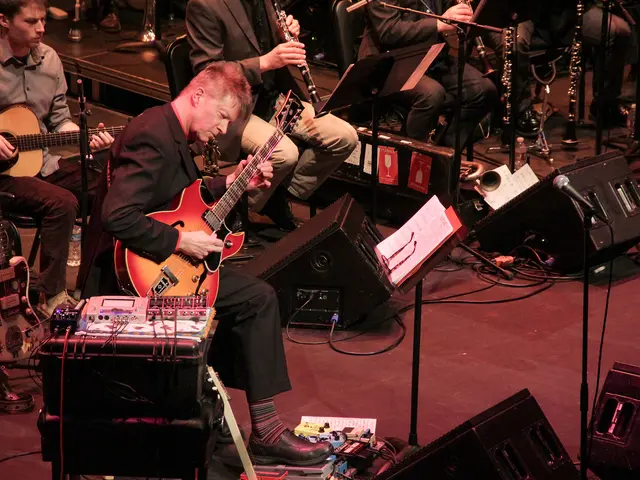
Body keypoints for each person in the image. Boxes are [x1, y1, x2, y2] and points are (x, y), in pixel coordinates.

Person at [77, 61, 334, 466]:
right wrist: (182, 239)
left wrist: (229, 184)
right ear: (198, 96)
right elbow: (117, 215)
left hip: (160, 263)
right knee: (257, 300)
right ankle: (263, 431)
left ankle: (222, 416)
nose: (224, 130)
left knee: (254, 296)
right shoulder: (152, 135)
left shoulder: (169, 130)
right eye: (223, 117)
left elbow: (177, 198)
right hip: (128, 277)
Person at [185, 0, 359, 232]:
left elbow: (263, 43)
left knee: (345, 137)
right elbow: (206, 71)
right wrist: (265, 62)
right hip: (230, 108)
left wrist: (283, 34)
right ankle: (238, 209)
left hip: (272, 95)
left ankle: (275, 198)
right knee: (284, 153)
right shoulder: (203, 4)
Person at [0, 0, 114, 316]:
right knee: (62, 202)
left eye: (44, 20)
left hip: (42, 162)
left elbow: (60, 118)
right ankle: (54, 297)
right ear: (4, 21)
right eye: (31, 21)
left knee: (108, 185)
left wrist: (85, 137)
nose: (42, 28)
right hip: (5, 177)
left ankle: (99, 284)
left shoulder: (49, 59)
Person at [358, 0, 497, 147]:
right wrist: (438, 24)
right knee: (431, 94)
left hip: (431, 55)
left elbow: (445, 11)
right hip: (390, 62)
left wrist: (461, 10)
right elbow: (388, 31)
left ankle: (444, 155)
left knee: (484, 90)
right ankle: (410, 161)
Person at [484, 0, 632, 136]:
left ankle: (606, 104)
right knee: (515, 44)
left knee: (618, 31)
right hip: (519, 12)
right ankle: (521, 110)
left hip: (562, 14)